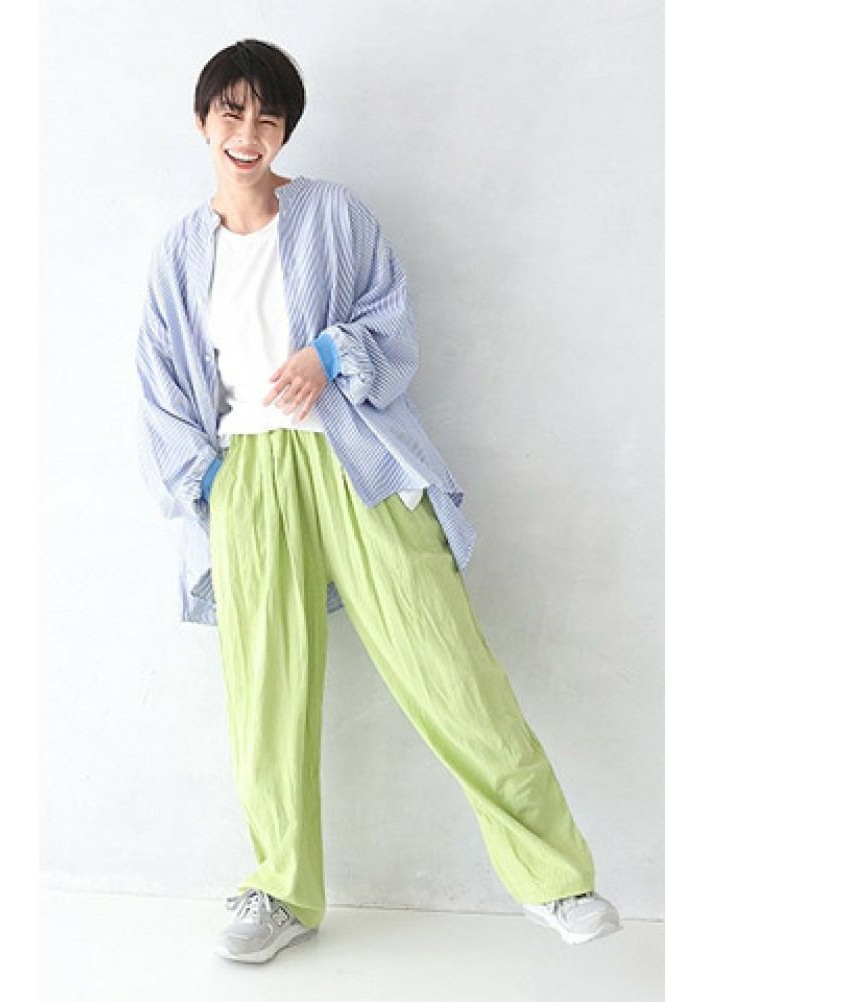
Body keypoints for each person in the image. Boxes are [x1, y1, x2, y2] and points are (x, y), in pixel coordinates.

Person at [135, 38, 622, 965]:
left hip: (356, 459)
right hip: (248, 478)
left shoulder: (333, 214)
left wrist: (329, 353)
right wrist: (213, 481)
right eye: (232, 111)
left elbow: (392, 322)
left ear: (286, 130)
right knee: (266, 689)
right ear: (203, 122)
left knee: (447, 661)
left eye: (269, 115)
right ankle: (280, 889)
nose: (249, 131)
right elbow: (160, 385)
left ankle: (555, 878)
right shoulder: (178, 254)